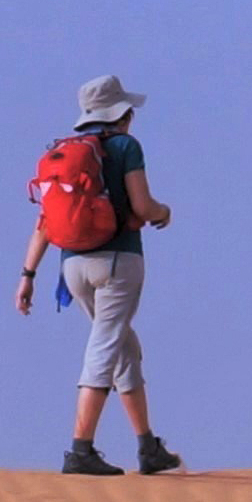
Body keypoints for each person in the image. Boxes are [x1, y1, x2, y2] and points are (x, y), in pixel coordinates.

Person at [17, 73, 183, 473]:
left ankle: (148, 446)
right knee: (105, 348)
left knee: (122, 345)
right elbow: (142, 207)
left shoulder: (66, 153)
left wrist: (27, 274)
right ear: (122, 114)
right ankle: (80, 449)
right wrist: (164, 213)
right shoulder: (125, 146)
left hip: (72, 266)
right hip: (117, 262)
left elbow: (45, 221)